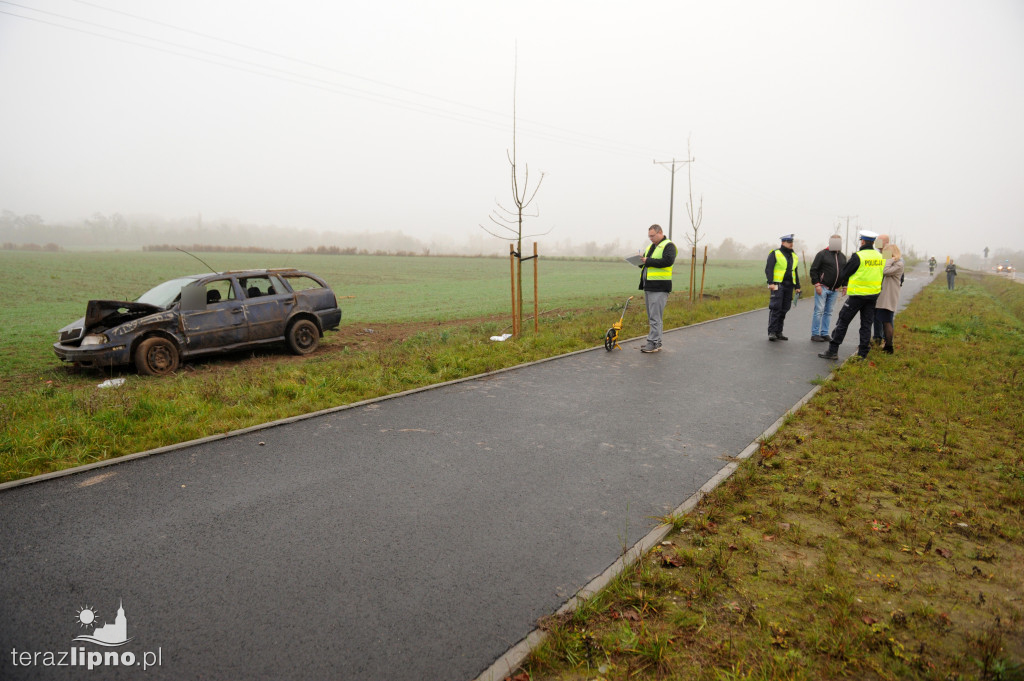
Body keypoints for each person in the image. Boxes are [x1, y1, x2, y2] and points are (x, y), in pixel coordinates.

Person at [818, 230, 886, 361]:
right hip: (872, 296)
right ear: (873, 242)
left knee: (843, 321)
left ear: (863, 241)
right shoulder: (880, 256)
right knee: (866, 325)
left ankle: (833, 351)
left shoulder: (858, 256)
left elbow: (844, 273)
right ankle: (862, 355)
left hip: (857, 296)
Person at [637, 223, 677, 353]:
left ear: (660, 233)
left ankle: (653, 343)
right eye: (649, 236)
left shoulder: (668, 245)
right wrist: (640, 261)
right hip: (649, 286)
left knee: (655, 317)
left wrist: (648, 261)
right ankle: (656, 342)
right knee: (653, 317)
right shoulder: (650, 246)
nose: (651, 238)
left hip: (659, 287)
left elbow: (667, 261)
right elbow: (648, 263)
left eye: (653, 236)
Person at [808, 234, 847, 342]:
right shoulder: (822, 254)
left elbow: (845, 272)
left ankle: (824, 333)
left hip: (835, 290)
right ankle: (815, 333)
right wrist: (817, 284)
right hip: (823, 287)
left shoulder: (842, 257)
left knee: (829, 312)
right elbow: (814, 270)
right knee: (819, 311)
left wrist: (844, 285)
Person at [765, 234, 801, 341]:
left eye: (792, 242)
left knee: (784, 309)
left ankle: (779, 332)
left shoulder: (794, 255)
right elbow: (769, 269)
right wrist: (770, 282)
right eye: (789, 242)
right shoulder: (775, 253)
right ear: (783, 242)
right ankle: (772, 331)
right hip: (777, 285)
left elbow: (795, 271)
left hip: (789, 286)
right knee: (776, 308)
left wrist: (797, 286)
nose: (791, 244)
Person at [874, 242, 905, 354]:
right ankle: (885, 343)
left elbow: (885, 271)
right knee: (883, 320)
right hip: (883, 296)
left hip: (889, 297)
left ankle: (889, 347)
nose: (884, 255)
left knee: (887, 321)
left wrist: (889, 259)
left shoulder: (899, 264)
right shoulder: (892, 263)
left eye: (886, 253)